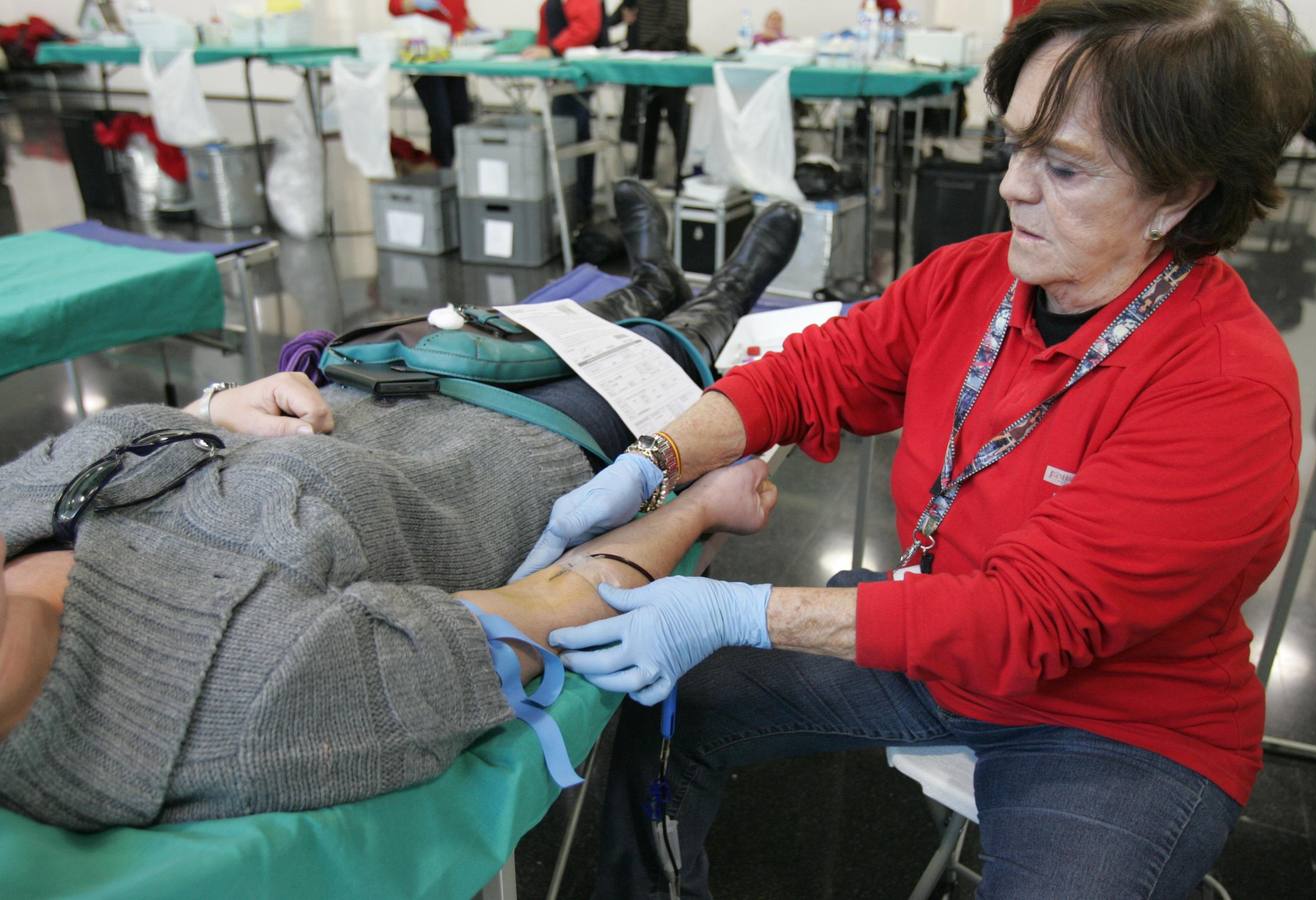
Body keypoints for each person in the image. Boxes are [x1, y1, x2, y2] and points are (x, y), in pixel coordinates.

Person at [516, 1, 1316, 896]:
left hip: (1113, 725)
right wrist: (657, 460)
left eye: (1063, 167)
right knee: (671, 705)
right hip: (937, 646)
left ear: (1183, 191)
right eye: (1012, 146)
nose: (1015, 186)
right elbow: (810, 374)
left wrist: (734, 611)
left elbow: (1028, 620)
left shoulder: (1223, 390)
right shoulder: (973, 280)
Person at [0, 183, 803, 832]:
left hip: (388, 376)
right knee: (665, 346)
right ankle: (731, 291)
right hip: (521, 447)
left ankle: (652, 269)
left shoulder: (13, 515)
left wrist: (216, 407)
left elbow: (144, 454)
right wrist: (697, 509)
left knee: (578, 318)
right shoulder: (245, 704)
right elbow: (547, 609)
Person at [521, 0, 609, 222]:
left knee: (573, 138)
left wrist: (552, 49)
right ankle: (572, 207)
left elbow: (586, 28)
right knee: (566, 136)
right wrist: (541, 51)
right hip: (561, 76)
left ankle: (578, 208)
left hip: (575, 76)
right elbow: (547, 25)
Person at [390, 0, 477, 168]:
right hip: (424, 61)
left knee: (461, 117)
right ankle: (442, 172)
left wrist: (483, 32)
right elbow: (395, 7)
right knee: (441, 120)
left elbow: (461, 16)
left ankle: (462, 172)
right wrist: (416, 3)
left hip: (451, 60)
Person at [617, 1, 691, 182]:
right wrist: (624, 14)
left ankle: (683, 178)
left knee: (677, 123)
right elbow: (623, 10)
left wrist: (651, 49)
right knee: (647, 122)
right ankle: (644, 176)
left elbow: (676, 25)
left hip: (668, 64)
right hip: (648, 64)